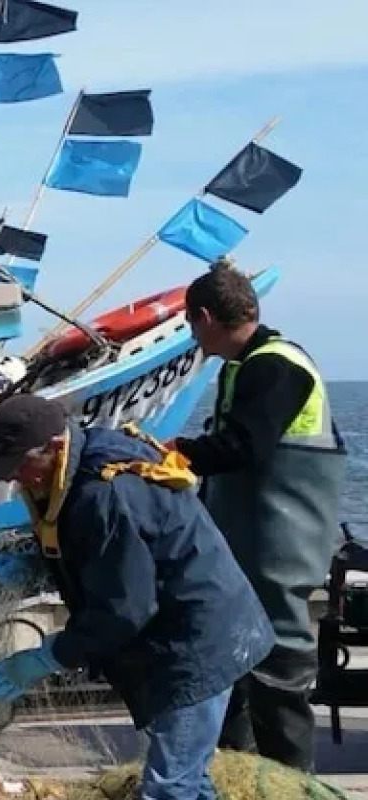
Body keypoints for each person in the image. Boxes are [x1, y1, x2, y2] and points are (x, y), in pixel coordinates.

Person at [0, 394, 272, 800]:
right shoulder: (81, 465)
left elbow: (124, 610)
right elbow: (108, 552)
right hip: (195, 626)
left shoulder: (103, 492)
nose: (15, 478)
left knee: (168, 787)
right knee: (189, 782)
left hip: (198, 638)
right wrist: (39, 562)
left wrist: (46, 657)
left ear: (54, 446)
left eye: (20, 465)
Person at [171, 260, 344, 772]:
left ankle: (291, 784)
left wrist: (179, 453)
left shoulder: (275, 366)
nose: (192, 336)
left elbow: (245, 445)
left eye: (190, 324)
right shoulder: (244, 366)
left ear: (205, 317)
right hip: (249, 535)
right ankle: (239, 773)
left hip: (281, 536)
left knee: (279, 649)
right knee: (235, 649)